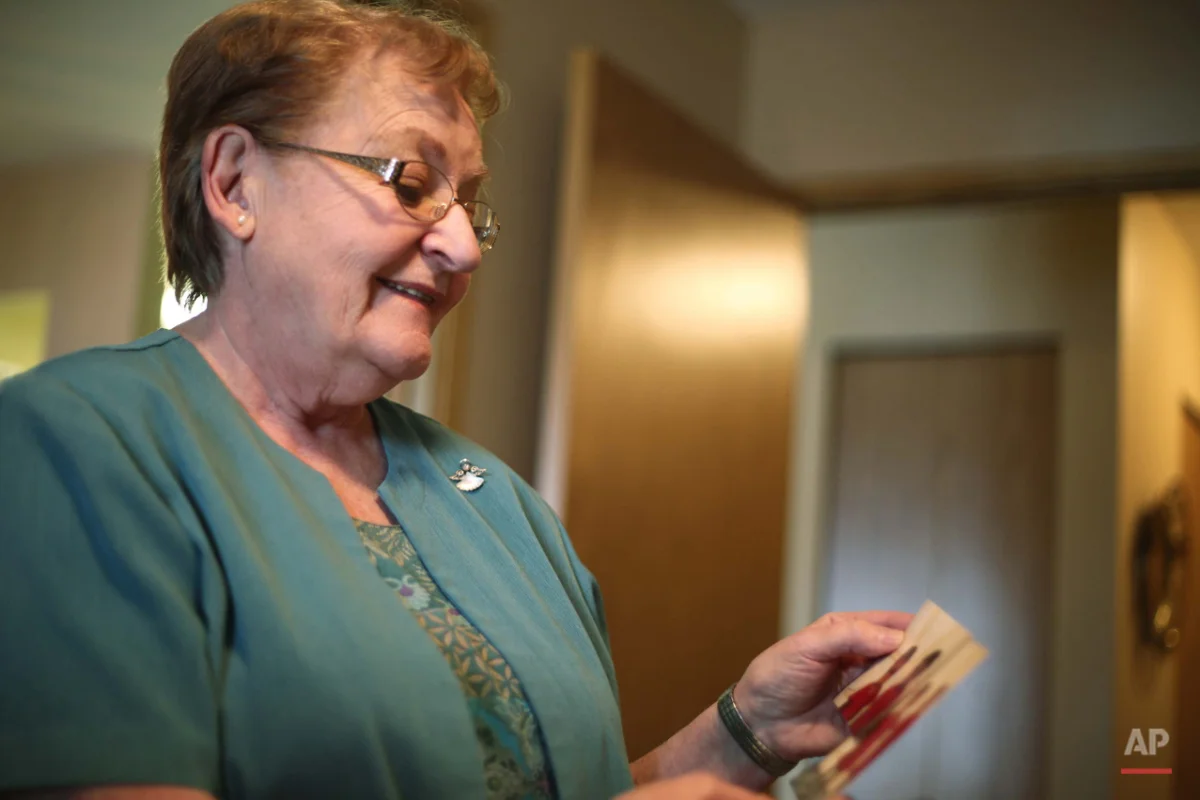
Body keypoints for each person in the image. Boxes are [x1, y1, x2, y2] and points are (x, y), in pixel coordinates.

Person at [0, 2, 909, 798]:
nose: (464, 248)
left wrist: (746, 732)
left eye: (470, 203)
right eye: (410, 182)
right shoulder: (76, 444)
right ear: (235, 183)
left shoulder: (495, 500)